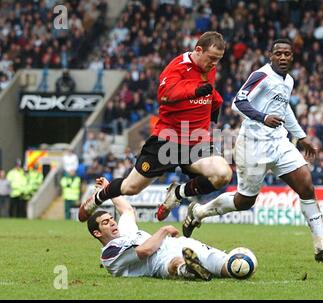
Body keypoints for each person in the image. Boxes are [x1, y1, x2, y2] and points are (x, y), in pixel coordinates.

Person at [182, 39, 323, 264]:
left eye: (287, 54)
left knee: (306, 185)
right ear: (271, 56)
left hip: (279, 143)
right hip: (253, 145)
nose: (283, 58)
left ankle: (321, 248)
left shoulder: (288, 81)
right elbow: (238, 103)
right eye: (279, 54)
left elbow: (284, 109)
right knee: (245, 201)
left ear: (292, 57)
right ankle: (199, 212)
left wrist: (301, 137)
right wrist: (263, 117)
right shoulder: (262, 75)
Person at [79, 31, 232, 223]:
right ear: (198, 50)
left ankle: (177, 193)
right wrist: (193, 90)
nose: (214, 64)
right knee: (130, 188)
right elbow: (165, 95)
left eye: (218, 60)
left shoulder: (209, 67)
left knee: (222, 174)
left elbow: (209, 94)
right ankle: (97, 198)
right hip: (167, 140)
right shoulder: (176, 67)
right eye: (211, 58)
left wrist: (215, 106)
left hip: (196, 142)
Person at [88, 177, 243, 281]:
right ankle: (187, 269)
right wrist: (164, 230)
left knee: (228, 265)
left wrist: (108, 189)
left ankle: (232, 267)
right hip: (157, 262)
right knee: (175, 263)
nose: (113, 223)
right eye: (106, 223)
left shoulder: (124, 231)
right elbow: (144, 251)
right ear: (97, 233)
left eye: (111, 219)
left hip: (177, 244)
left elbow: (126, 210)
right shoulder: (109, 254)